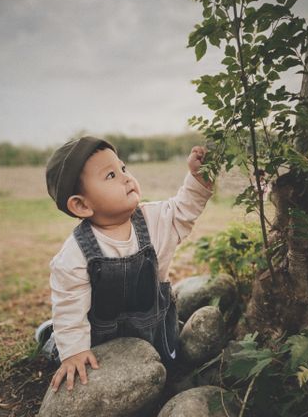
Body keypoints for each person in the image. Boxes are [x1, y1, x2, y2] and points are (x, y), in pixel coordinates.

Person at [37, 136, 213, 393]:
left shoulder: (153, 220)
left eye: (123, 168)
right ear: (81, 205)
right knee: (66, 341)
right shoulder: (74, 254)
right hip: (102, 343)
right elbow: (69, 304)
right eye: (110, 175)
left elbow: (182, 212)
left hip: (154, 334)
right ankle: (50, 336)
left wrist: (198, 181)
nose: (125, 177)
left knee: (169, 368)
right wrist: (74, 352)